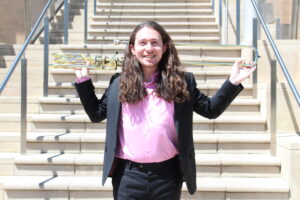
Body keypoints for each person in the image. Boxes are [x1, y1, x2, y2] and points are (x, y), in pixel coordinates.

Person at [74, 21, 256, 200]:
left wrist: (233, 82)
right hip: (127, 177)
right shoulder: (118, 84)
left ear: (165, 47)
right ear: (132, 48)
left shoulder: (181, 82)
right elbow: (97, 114)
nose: (149, 48)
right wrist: (84, 83)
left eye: (155, 43)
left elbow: (210, 109)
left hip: (167, 177)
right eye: (142, 43)